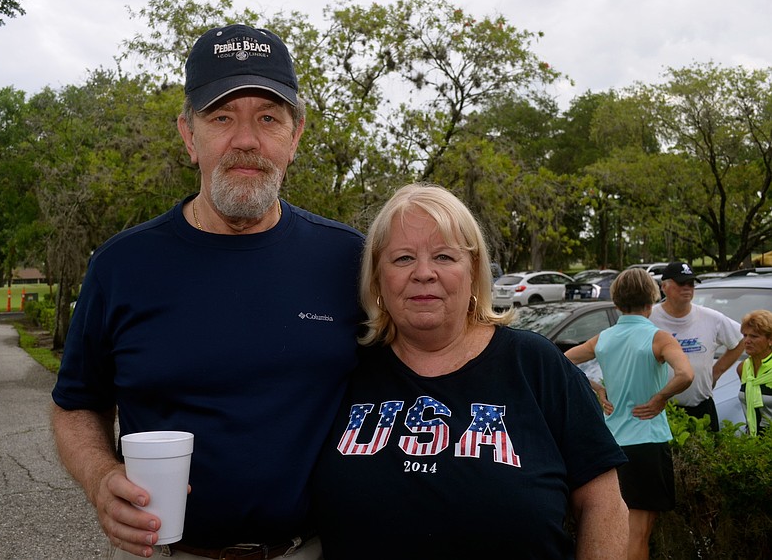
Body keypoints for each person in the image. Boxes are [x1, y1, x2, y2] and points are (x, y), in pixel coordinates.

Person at [50, 24, 366, 560]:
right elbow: (77, 405)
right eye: (222, 118)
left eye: (268, 118)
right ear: (188, 136)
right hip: (173, 552)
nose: (246, 139)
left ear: (296, 137)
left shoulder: (350, 261)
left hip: (317, 549)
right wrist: (102, 477)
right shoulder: (122, 265)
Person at [312, 183, 629, 558]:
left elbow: (604, 504)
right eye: (403, 259)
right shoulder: (345, 368)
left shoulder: (536, 365)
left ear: (474, 269)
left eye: (445, 257)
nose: (424, 273)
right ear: (378, 277)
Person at [565, 268, 694, 560]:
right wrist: (660, 397)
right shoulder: (659, 337)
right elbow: (685, 374)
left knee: (613, 532)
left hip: (611, 444)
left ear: (616, 301)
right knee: (638, 535)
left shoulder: (604, 338)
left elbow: (562, 361)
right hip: (648, 443)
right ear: (652, 299)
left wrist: (596, 388)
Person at [649, 261, 744, 430]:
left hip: (702, 407)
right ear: (664, 287)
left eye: (691, 284)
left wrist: (717, 372)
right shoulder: (650, 318)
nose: (687, 288)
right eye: (681, 283)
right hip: (662, 408)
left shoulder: (711, 318)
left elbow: (740, 340)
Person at [737, 310, 772, 435]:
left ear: (770, 340)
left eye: (754, 336)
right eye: (745, 335)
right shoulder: (743, 368)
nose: (747, 341)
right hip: (752, 443)